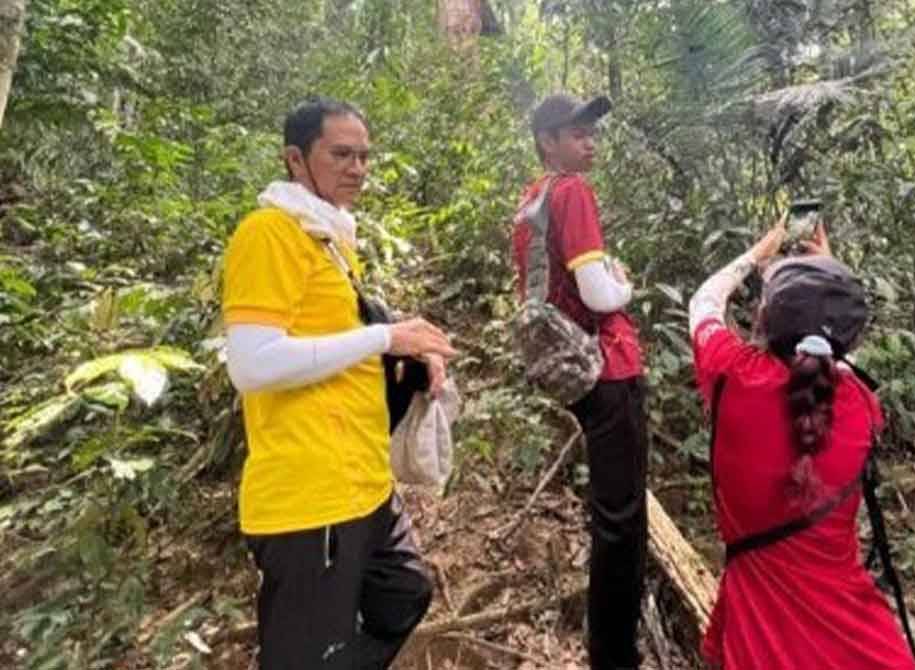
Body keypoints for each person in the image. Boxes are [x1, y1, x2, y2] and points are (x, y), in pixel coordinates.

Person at [222, 98, 456, 670]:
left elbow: (335, 348)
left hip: (364, 483)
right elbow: (251, 364)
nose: (357, 168)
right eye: (341, 154)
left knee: (405, 592)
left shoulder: (329, 239)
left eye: (364, 156)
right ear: (296, 159)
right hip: (309, 499)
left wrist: (410, 363)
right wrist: (385, 340)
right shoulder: (269, 233)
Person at [687, 216, 915, 670]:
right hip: (856, 635)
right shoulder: (862, 407)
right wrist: (829, 276)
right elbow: (835, 354)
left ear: (762, 319)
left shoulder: (732, 378)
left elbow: (704, 302)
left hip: (762, 636)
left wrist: (757, 255)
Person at [512, 93, 648, 670]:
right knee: (621, 523)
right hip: (608, 365)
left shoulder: (532, 199)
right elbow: (598, 294)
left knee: (611, 515)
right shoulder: (573, 192)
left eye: (593, 132)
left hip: (576, 371)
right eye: (576, 132)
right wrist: (625, 287)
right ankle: (613, 657)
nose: (590, 141)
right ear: (548, 141)